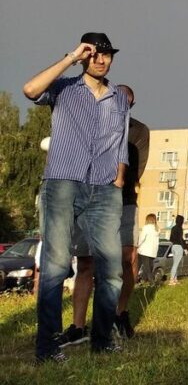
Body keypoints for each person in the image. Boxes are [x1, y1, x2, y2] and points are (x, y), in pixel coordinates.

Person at [23, 33, 131, 362]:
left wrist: (119, 177)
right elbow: (30, 90)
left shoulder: (119, 98)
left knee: (111, 269)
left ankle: (101, 340)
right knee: (56, 266)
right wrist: (70, 56)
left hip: (104, 188)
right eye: (93, 54)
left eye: (105, 54)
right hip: (63, 182)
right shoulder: (64, 88)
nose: (100, 59)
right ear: (84, 56)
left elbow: (121, 141)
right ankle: (48, 347)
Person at [63, 82, 150, 344]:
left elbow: (138, 169)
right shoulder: (88, 125)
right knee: (87, 262)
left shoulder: (139, 131)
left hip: (123, 201)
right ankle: (78, 326)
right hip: (89, 200)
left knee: (127, 258)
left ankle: (119, 314)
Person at [137, 214, 159, 283]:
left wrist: (137, 245)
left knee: (144, 268)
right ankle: (143, 280)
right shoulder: (157, 229)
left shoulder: (146, 227)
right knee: (149, 267)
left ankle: (152, 282)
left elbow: (141, 238)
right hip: (152, 252)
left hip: (144, 251)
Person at [169, 214, 188, 285]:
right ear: (181, 221)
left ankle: (175, 279)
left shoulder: (173, 228)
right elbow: (181, 239)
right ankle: (171, 280)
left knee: (175, 263)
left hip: (173, 246)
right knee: (176, 264)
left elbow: (170, 239)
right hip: (179, 247)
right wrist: (185, 248)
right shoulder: (179, 228)